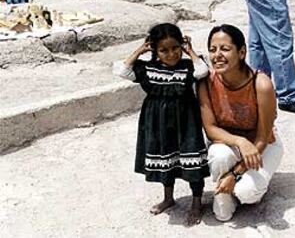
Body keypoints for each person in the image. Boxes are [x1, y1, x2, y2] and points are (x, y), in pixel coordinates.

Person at [113, 23, 210, 225]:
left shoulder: (188, 66)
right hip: (157, 124)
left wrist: (189, 50)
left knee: (191, 159)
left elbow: (202, 72)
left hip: (186, 123)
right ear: (155, 50)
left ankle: (196, 202)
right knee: (166, 160)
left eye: (175, 48)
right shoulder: (148, 69)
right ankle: (168, 198)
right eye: (163, 50)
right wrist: (140, 49)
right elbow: (123, 70)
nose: (171, 54)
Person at [197, 24, 284, 221]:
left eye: (225, 49)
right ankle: (226, 190)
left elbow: (262, 138)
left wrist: (235, 174)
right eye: (212, 50)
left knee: (248, 193)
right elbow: (210, 129)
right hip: (230, 143)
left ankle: (236, 184)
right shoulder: (206, 82)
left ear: (242, 52)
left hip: (263, 144)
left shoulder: (260, 84)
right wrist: (240, 142)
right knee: (218, 157)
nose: (217, 55)